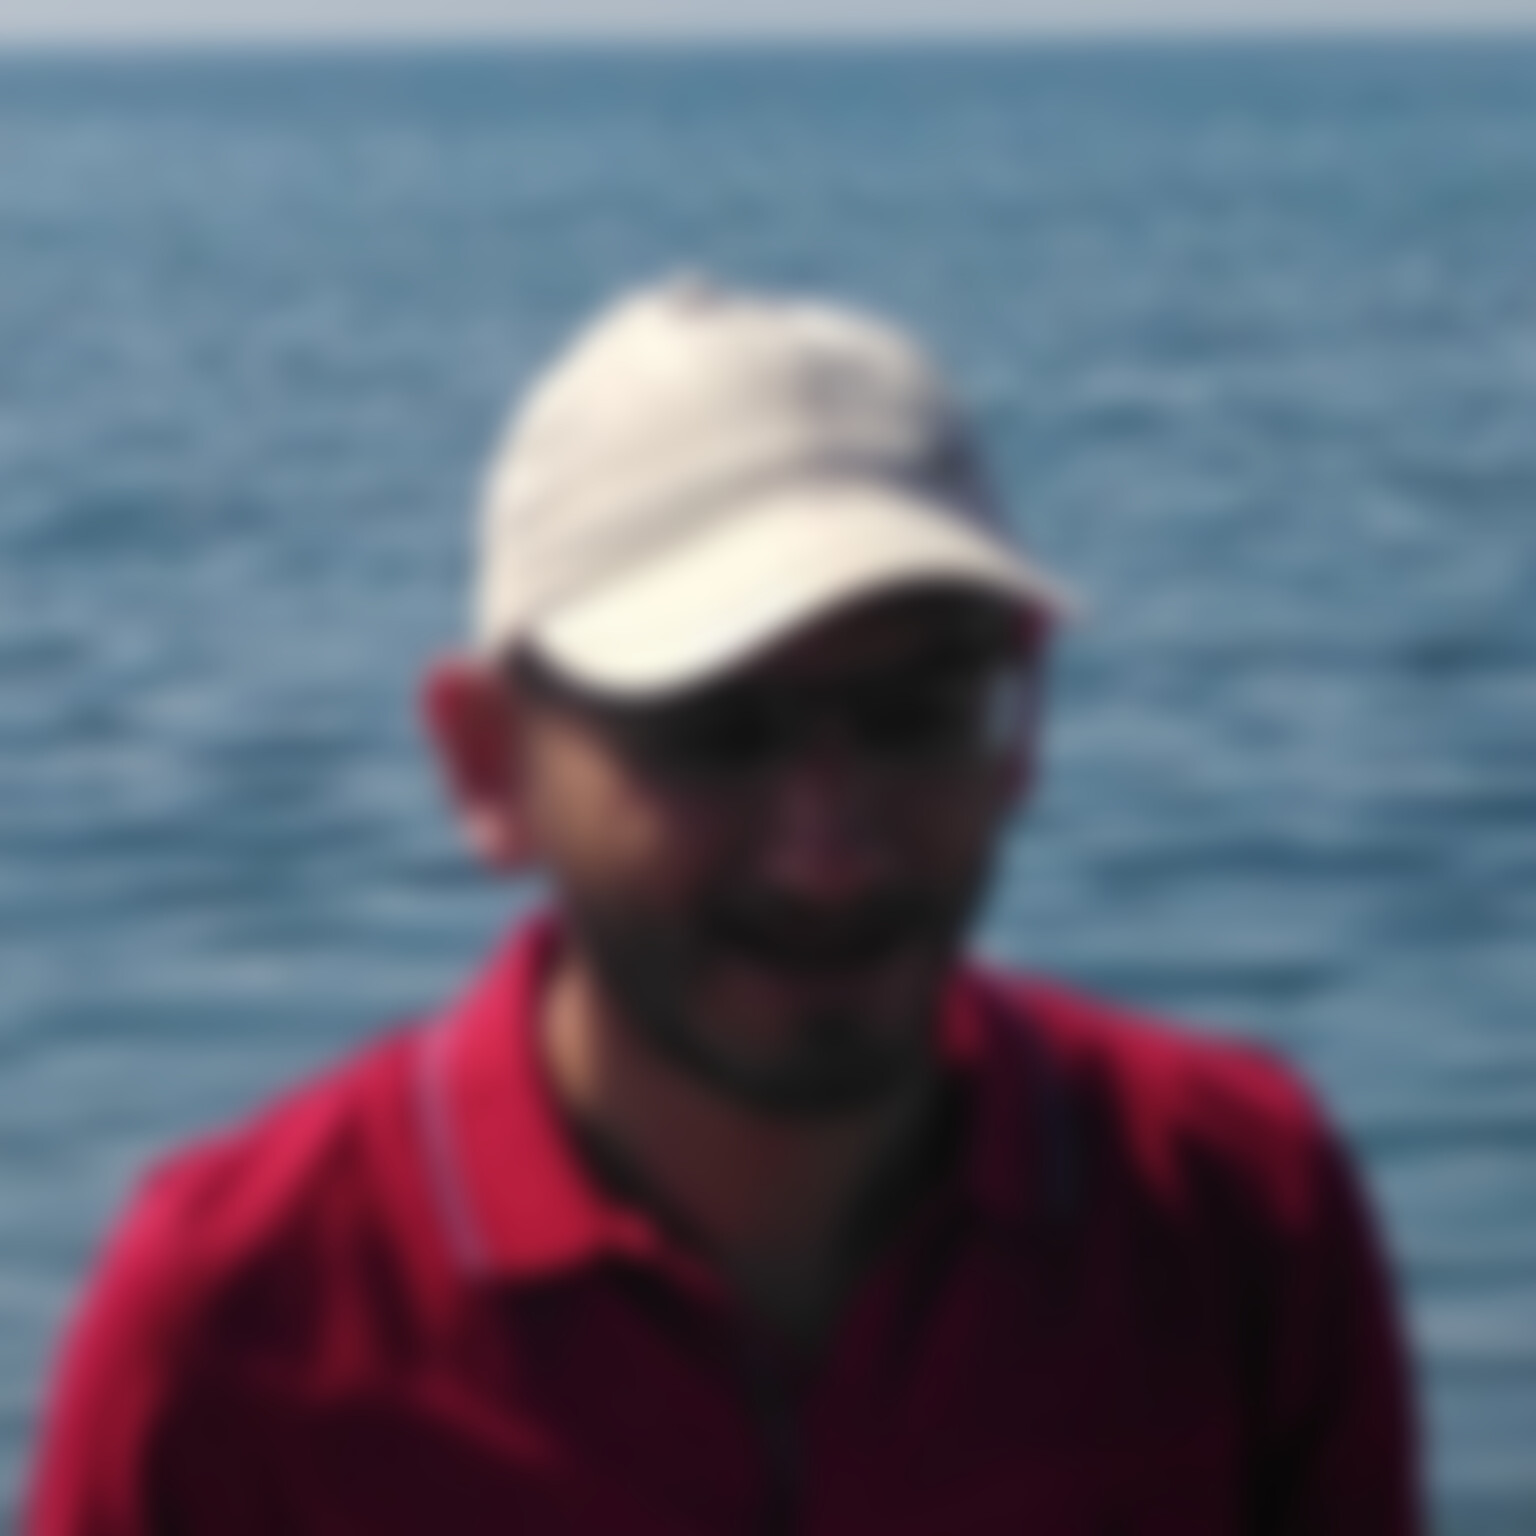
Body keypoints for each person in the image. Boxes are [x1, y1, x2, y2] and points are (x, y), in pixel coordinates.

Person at [26, 277, 1421, 1535]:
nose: (831, 850)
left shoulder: (1236, 1213)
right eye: (714, 733)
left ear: (1022, 732)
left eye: (918, 713)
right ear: (490, 760)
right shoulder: (244, 1316)